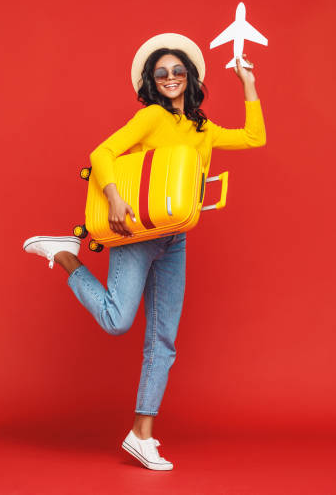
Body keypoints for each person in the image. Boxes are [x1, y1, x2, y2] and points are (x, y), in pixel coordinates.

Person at [23, 33, 266, 470]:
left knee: (163, 340)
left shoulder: (200, 127)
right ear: (152, 83)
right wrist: (115, 199)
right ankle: (64, 255)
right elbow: (102, 153)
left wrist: (247, 82)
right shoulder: (152, 117)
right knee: (118, 321)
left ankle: (141, 434)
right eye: (162, 74)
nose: (171, 78)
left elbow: (254, 138)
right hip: (137, 232)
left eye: (178, 71)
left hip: (176, 237)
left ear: (189, 77)